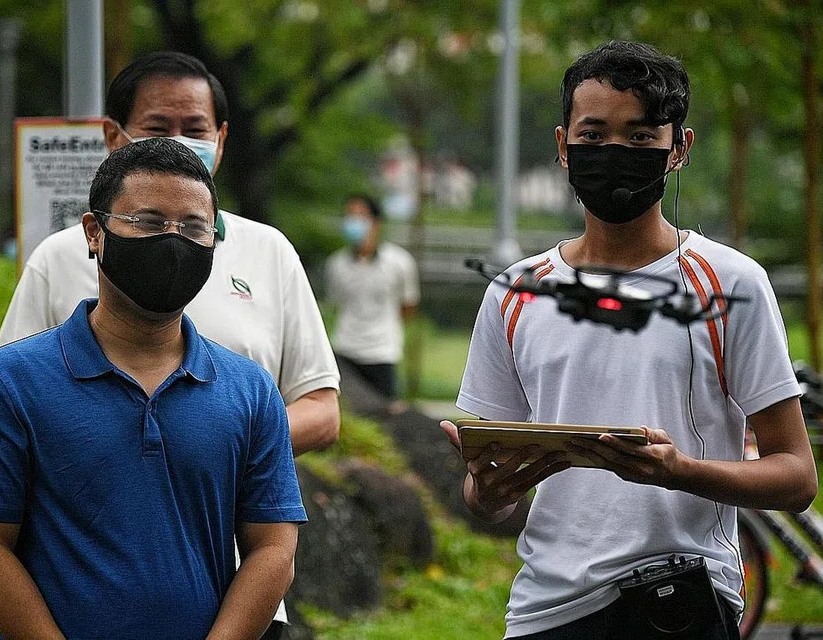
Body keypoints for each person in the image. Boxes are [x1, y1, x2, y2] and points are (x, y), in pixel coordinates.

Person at [440, 41, 817, 639]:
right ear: (563, 145)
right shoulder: (516, 293)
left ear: (679, 148)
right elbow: (489, 498)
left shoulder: (730, 285)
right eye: (593, 134)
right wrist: (489, 490)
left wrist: (679, 471)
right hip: (544, 611)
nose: (614, 153)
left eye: (640, 137)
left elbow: (796, 478)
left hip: (680, 603)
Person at [0, 51, 336, 637]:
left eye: (195, 128)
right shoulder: (58, 259)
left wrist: (215, 436)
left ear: (221, 139)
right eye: (158, 127)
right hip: (74, 596)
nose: (179, 141)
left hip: (238, 594)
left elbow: (321, 409)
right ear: (113, 136)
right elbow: (18, 413)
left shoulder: (268, 253)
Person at [0, 138, 306, 640]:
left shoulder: (252, 392)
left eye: (194, 227)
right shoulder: (9, 383)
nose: (173, 241)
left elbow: (273, 548)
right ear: (94, 231)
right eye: (148, 222)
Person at [325, 194, 420, 406]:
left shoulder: (400, 263)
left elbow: (408, 306)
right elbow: (335, 303)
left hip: (382, 352)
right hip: (345, 348)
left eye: (360, 215)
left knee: (386, 411)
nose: (353, 221)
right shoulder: (336, 265)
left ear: (376, 223)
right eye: (349, 215)